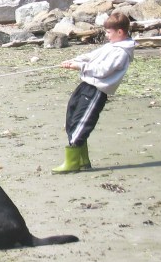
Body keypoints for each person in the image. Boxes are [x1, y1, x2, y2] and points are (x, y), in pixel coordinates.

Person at [52, 11, 136, 173]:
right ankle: (83, 160)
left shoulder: (121, 52)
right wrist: (74, 61)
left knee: (81, 122)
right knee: (72, 114)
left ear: (120, 32)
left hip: (97, 91)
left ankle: (72, 162)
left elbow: (103, 70)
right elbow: (91, 56)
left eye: (109, 32)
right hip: (86, 85)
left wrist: (80, 66)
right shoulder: (111, 46)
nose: (107, 35)